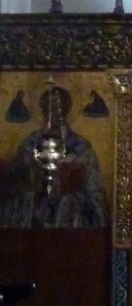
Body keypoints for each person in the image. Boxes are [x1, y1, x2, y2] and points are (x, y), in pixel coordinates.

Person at [0, 87, 109, 229]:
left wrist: (72, 198)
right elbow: (12, 187)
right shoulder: (30, 144)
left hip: (72, 224)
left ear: (67, 110)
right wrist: (33, 196)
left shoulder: (81, 148)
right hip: (33, 223)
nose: (55, 114)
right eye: (50, 108)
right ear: (43, 110)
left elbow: (96, 194)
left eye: (59, 108)